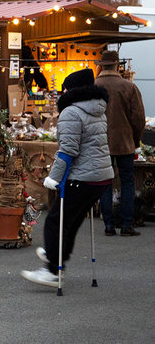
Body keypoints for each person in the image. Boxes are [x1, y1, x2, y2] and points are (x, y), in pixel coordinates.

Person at [21, 68, 114, 287]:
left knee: (55, 220)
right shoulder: (97, 108)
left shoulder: (72, 112)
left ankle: (52, 270)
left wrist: (52, 178)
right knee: (69, 221)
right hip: (101, 176)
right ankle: (56, 255)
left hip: (84, 177)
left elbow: (67, 151)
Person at [94, 50, 145, 237]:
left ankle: (108, 224)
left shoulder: (93, 86)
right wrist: (135, 139)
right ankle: (126, 224)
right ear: (117, 65)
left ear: (101, 65)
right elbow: (138, 118)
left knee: (105, 183)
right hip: (124, 143)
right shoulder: (128, 87)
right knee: (127, 182)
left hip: (100, 143)